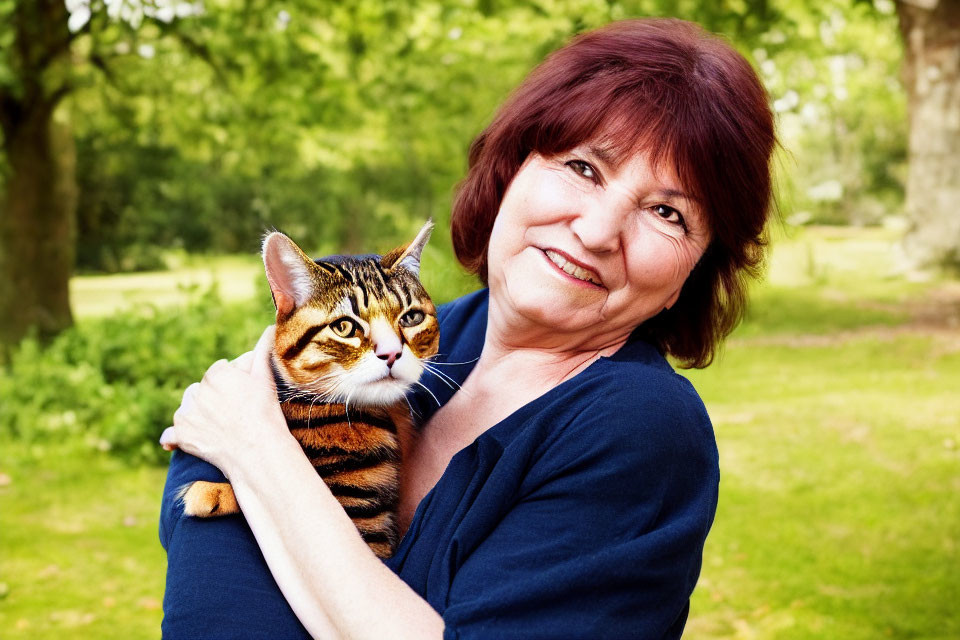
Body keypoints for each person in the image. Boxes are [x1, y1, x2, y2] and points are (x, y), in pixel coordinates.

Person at [159, 17, 775, 640]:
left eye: (667, 212)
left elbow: (233, 440)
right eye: (584, 167)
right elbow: (197, 470)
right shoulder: (433, 332)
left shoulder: (641, 431)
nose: (596, 231)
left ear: (690, 275)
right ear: (512, 169)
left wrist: (258, 452)